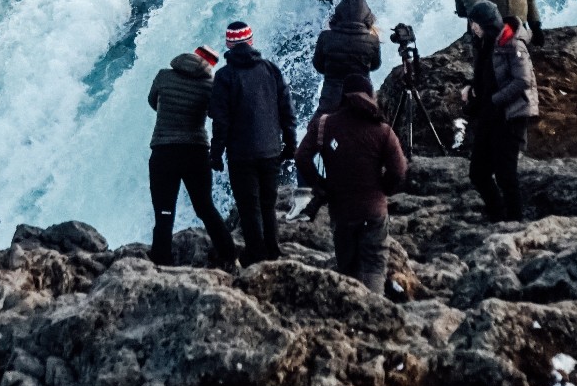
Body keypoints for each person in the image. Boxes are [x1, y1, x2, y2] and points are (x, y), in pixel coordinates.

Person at [295, 72, 408, 294]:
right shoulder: (382, 130)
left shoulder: (325, 124)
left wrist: (320, 185)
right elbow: (399, 169)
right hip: (374, 211)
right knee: (374, 265)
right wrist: (383, 188)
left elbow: (301, 157)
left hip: (342, 210)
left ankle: (352, 305)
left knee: (347, 267)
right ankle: (374, 309)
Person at [210, 21, 295, 264]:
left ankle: (257, 257)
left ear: (228, 44)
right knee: (268, 205)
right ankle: (274, 252)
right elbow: (287, 112)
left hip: (241, 154)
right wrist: (290, 146)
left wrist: (216, 154)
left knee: (249, 208)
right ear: (251, 42)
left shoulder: (224, 76)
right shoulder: (270, 69)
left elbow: (221, 120)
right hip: (270, 151)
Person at [146, 48, 238, 268]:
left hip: (164, 151)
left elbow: (152, 101)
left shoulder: (163, 75)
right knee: (205, 207)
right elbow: (216, 115)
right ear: (210, 66)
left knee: (164, 210)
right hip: (195, 152)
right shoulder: (210, 85)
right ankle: (230, 254)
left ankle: (161, 261)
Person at [463, 0, 539, 222]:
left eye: (474, 23)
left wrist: (495, 100)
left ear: (484, 23)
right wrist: (472, 87)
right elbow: (486, 74)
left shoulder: (513, 44)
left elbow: (523, 81)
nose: (472, 28)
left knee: (506, 175)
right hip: (490, 116)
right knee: (478, 173)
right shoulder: (487, 43)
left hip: (510, 117)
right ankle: (497, 214)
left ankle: (514, 222)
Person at [312, 0, 383, 115]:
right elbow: (375, 65)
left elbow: (318, 66)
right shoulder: (372, 40)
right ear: (367, 17)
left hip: (330, 101)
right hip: (361, 102)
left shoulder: (325, 37)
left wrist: (333, 70)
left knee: (318, 129)